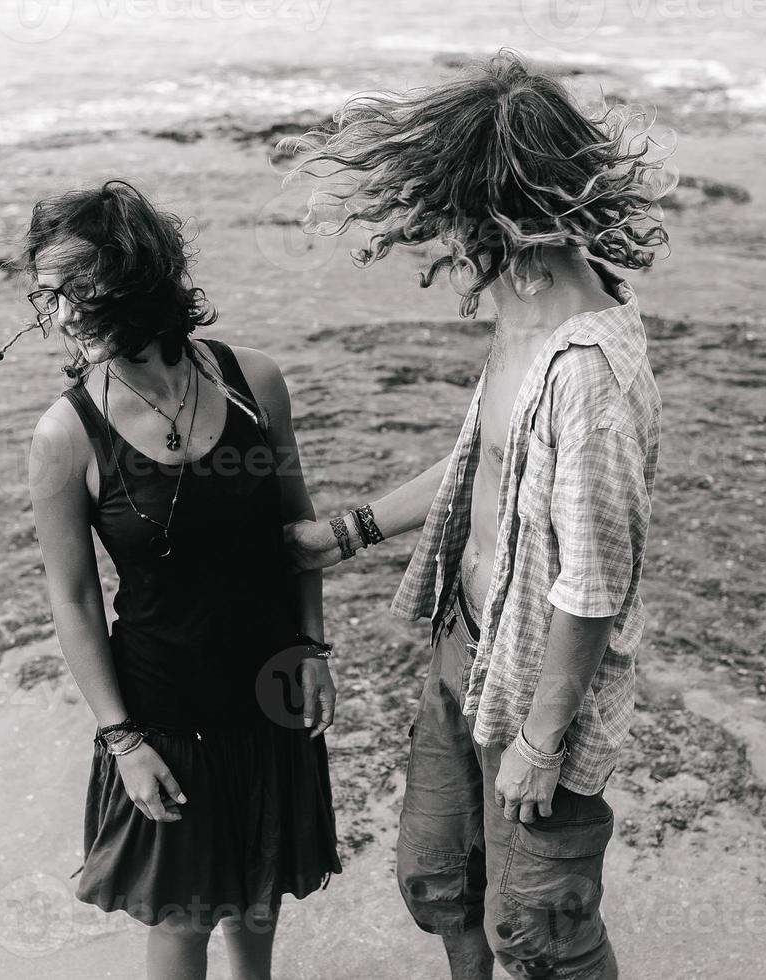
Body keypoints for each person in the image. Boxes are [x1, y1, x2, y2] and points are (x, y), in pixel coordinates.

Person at [280, 51, 668, 980]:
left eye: (453, 217)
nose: (444, 242)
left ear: (500, 214)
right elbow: (481, 463)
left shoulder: (588, 377)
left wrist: (540, 742)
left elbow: (593, 585)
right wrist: (345, 533)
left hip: (540, 690)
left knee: (542, 936)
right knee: (441, 881)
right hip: (467, 647)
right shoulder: (523, 316)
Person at [0, 178, 343, 980]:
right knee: (182, 916)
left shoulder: (255, 382)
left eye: (75, 290)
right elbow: (73, 598)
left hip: (269, 687)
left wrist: (311, 647)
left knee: (260, 897)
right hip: (163, 708)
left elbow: (298, 534)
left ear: (136, 279)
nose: (61, 314)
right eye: (48, 295)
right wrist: (123, 739)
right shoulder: (65, 434)